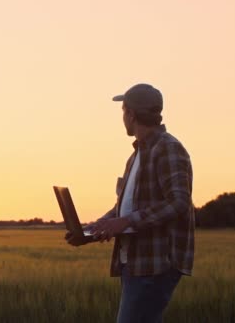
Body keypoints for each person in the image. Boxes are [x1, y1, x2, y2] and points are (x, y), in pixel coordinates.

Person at [65, 83, 194, 323]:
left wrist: (125, 221)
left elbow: (179, 203)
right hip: (134, 262)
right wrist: (98, 227)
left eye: (123, 111)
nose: (123, 117)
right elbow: (125, 208)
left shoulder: (168, 148)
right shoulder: (137, 155)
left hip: (155, 264)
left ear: (131, 114)